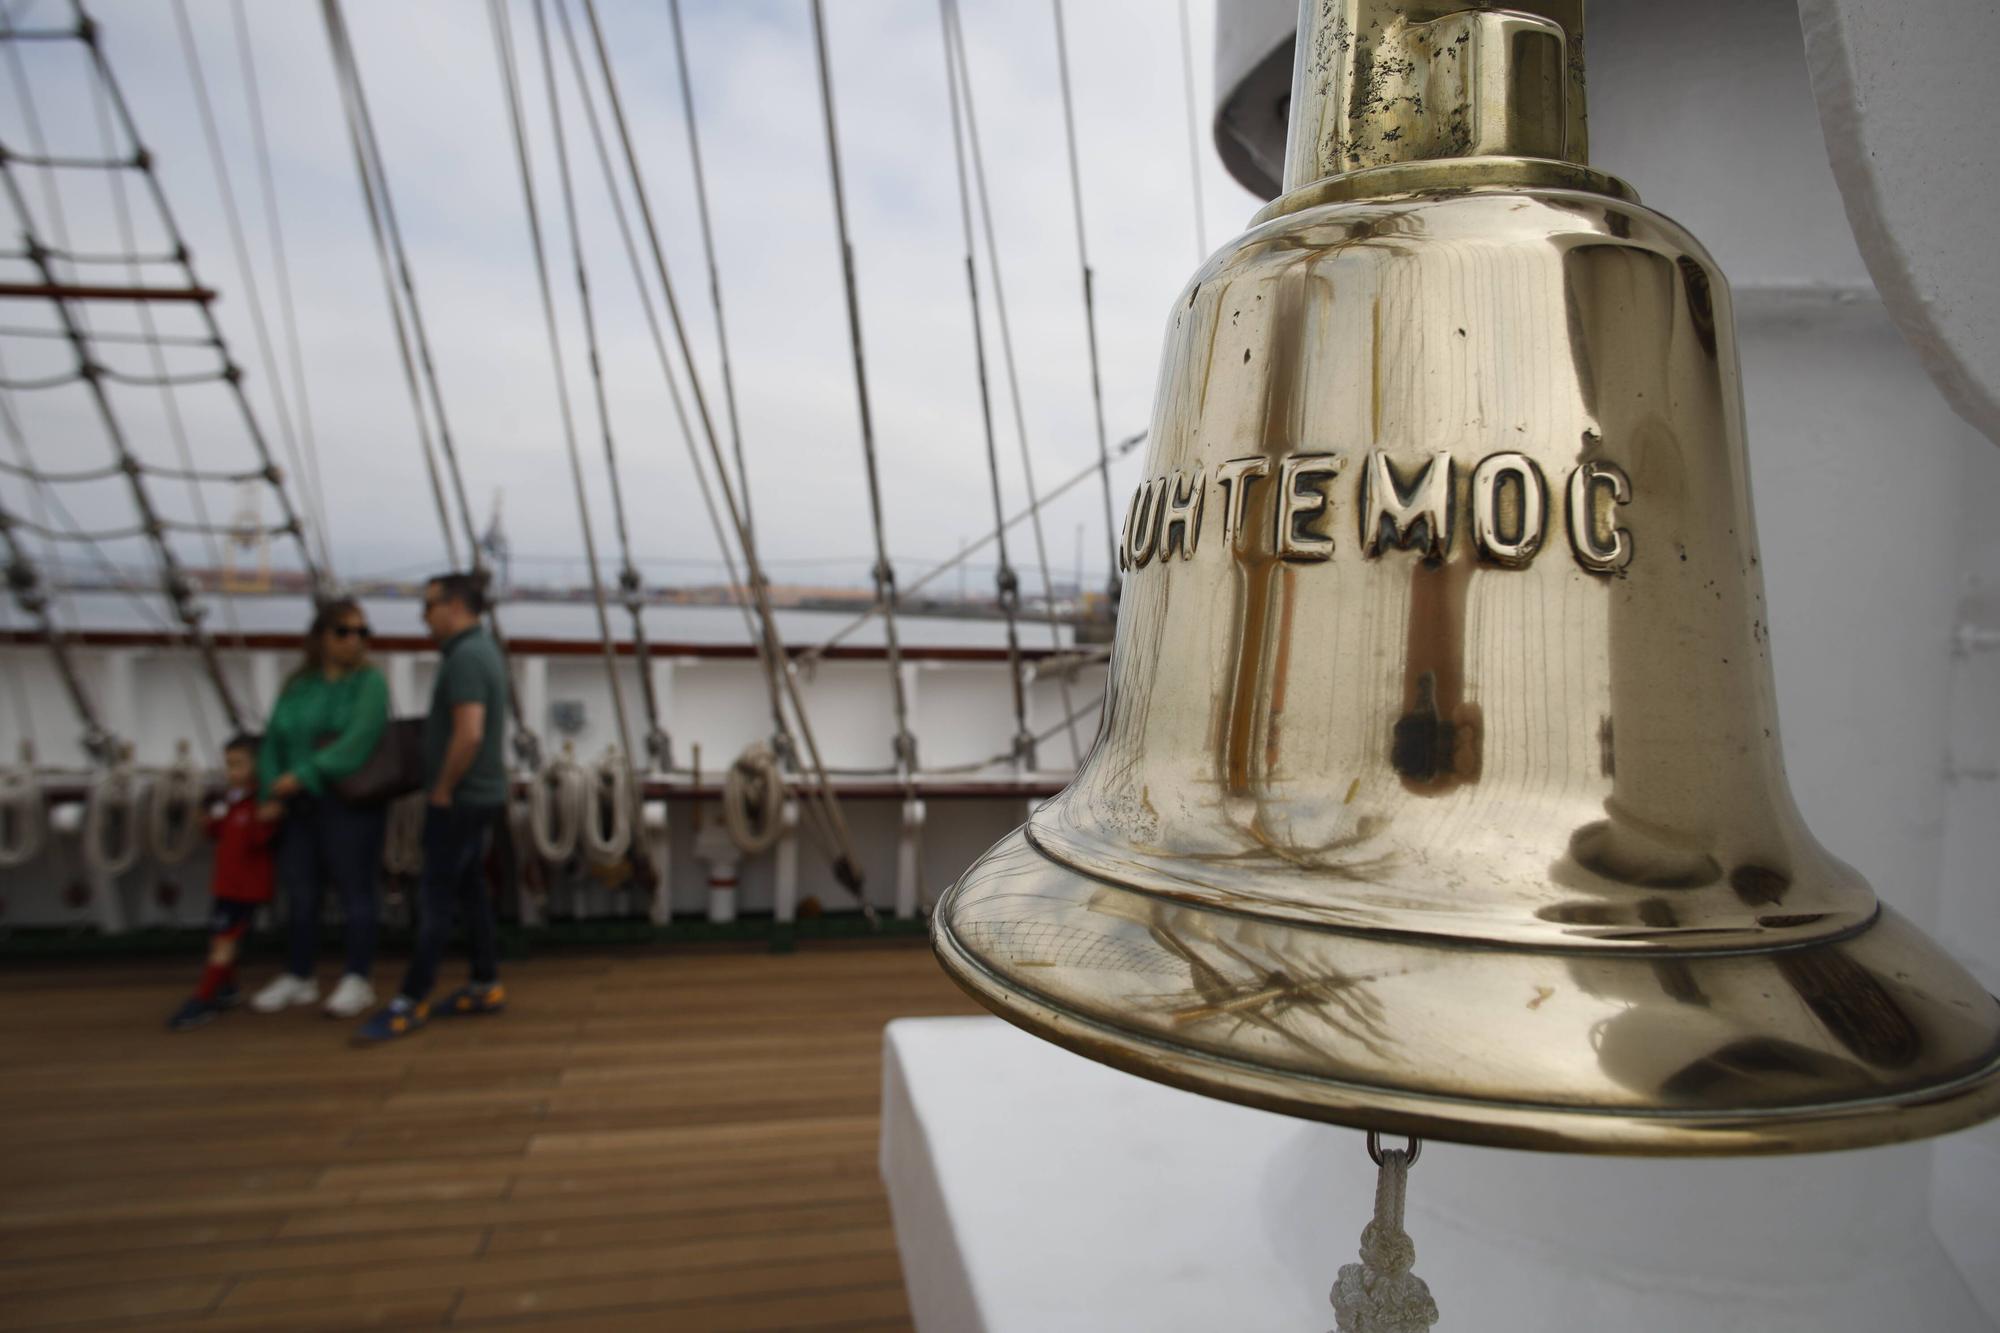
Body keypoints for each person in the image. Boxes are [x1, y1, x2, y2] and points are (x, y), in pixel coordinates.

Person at [356, 572, 510, 1043]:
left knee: (436, 898)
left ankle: (411, 998)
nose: (423, 616)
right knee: (471, 891)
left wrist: (442, 789)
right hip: (480, 795)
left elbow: (470, 733)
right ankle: (485, 982)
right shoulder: (480, 650)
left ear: (455, 607)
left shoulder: (465, 658)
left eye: (428, 606)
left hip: (461, 799)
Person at [249, 598, 392, 1020]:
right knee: (301, 892)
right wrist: (269, 792)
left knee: (356, 891)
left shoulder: (370, 684)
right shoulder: (299, 685)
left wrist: (303, 775)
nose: (355, 640)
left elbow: (358, 741)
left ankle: (358, 978)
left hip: (348, 803)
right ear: (321, 637)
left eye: (362, 632)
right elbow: (274, 739)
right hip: (298, 804)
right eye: (344, 631)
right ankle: (299, 974)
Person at [167, 735, 281, 1031]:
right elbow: (221, 832)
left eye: (238, 765)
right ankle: (227, 988)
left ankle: (202, 999)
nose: (231, 772)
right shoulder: (233, 801)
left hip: (244, 890)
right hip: (227, 886)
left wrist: (267, 817)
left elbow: (258, 839)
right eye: (228, 765)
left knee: (223, 941)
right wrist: (205, 820)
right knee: (220, 939)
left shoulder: (260, 803)